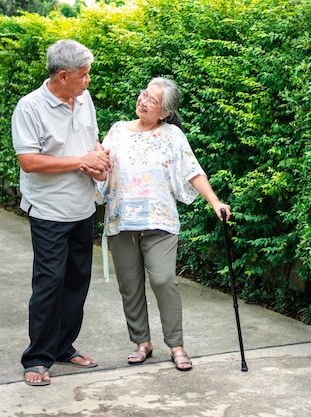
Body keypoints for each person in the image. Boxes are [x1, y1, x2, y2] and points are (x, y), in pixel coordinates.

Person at [90, 77, 230, 371]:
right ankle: (142, 343)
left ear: (164, 112)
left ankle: (176, 345)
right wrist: (97, 170)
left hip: (160, 222)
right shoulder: (117, 131)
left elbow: (193, 171)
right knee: (130, 286)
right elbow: (101, 168)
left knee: (163, 280)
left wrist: (215, 201)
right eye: (144, 95)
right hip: (121, 221)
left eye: (152, 101)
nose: (143, 101)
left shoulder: (172, 136)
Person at [11, 39, 110, 386]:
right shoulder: (30, 108)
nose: (88, 82)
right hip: (49, 212)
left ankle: (63, 346)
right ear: (63, 75)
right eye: (83, 76)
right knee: (49, 284)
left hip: (83, 209)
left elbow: (93, 143)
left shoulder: (84, 99)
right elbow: (30, 161)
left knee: (76, 284)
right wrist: (81, 160)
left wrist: (99, 164)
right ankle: (37, 358)